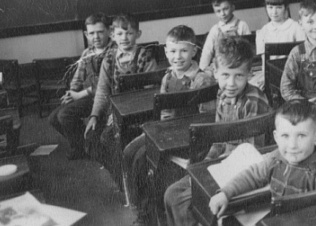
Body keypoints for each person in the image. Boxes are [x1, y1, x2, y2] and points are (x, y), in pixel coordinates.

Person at [164, 36, 271, 226]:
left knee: (182, 201)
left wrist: (211, 172)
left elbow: (250, 154)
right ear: (215, 73)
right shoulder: (222, 95)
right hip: (222, 162)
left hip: (243, 171)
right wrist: (202, 167)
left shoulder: (253, 101)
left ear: (249, 74)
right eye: (225, 75)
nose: (231, 83)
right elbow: (219, 140)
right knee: (171, 194)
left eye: (238, 76)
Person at [123, 25, 215, 225]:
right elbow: (164, 113)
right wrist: (159, 134)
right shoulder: (168, 77)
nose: (178, 57)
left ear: (194, 51)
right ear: (166, 52)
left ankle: (150, 213)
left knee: (143, 160)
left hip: (188, 136)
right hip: (166, 131)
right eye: (173, 51)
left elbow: (207, 118)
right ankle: (142, 210)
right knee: (130, 152)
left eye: (183, 51)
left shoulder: (202, 79)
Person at [208, 100, 316, 219]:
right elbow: (252, 175)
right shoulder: (276, 158)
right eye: (285, 136)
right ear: (276, 137)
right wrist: (225, 193)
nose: (292, 145)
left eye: (301, 135)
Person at [84, 14, 157, 176]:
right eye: (119, 34)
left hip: (140, 113)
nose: (124, 38)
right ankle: (120, 175)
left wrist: (122, 115)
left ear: (138, 34)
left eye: (129, 33)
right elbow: (102, 90)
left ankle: (129, 175)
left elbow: (150, 93)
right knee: (91, 138)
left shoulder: (145, 57)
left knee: (109, 138)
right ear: (112, 35)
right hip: (115, 112)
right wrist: (94, 115)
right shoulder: (109, 58)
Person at [48, 13, 116, 160]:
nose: (96, 37)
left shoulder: (114, 51)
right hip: (87, 97)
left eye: (100, 32)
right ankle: (82, 144)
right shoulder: (87, 52)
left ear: (109, 31)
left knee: (64, 115)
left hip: (105, 98)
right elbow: (78, 77)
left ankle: (83, 147)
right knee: (53, 118)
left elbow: (106, 85)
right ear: (86, 34)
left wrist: (79, 95)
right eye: (91, 33)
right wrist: (71, 93)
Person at [254, 0, 305, 88]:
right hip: (272, 75)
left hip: (294, 74)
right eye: (270, 7)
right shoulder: (263, 31)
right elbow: (264, 60)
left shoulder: (296, 27)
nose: (274, 12)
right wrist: (265, 77)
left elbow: (303, 55)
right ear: (266, 8)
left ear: (286, 7)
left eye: (279, 7)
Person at [199, 0, 251, 73]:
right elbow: (207, 51)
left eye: (225, 9)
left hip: (239, 65)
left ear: (233, 8)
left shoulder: (242, 25)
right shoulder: (215, 29)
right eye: (218, 11)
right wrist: (201, 70)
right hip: (221, 66)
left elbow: (249, 48)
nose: (222, 14)